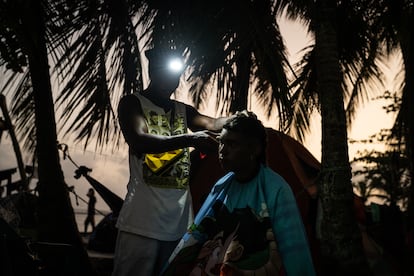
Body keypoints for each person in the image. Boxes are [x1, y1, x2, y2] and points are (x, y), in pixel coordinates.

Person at [113, 46, 236, 276]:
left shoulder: (183, 110)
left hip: (180, 225)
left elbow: (211, 123)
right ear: (152, 71)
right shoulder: (132, 103)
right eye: (163, 72)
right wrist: (190, 139)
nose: (169, 79)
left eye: (174, 74)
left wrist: (237, 118)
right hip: (141, 223)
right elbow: (139, 140)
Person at [162, 112, 316, 275]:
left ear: (254, 149)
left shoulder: (275, 189)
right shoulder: (222, 185)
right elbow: (196, 236)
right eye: (221, 143)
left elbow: (294, 249)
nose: (222, 151)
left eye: (232, 144)